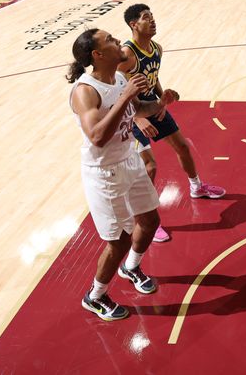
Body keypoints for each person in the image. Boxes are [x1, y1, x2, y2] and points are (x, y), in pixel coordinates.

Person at [68, 28, 177, 321]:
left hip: (129, 159)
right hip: (104, 172)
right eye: (111, 41)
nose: (118, 42)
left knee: (150, 220)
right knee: (119, 240)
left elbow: (138, 107)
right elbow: (97, 136)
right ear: (97, 54)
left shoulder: (117, 78)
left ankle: (131, 267)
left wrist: (161, 102)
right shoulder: (85, 91)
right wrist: (126, 95)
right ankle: (95, 296)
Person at [118, 4, 225, 243]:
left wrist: (161, 99)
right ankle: (144, 220)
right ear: (134, 24)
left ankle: (197, 187)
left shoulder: (156, 48)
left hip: (152, 107)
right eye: (147, 18)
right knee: (150, 168)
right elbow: (115, 89)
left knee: (182, 147)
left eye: (153, 16)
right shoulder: (127, 54)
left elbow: (153, 76)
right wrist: (137, 117)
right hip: (131, 115)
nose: (153, 21)